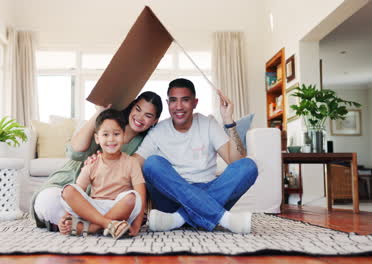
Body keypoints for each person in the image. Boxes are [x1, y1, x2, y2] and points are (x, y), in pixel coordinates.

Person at [134, 78, 258, 234]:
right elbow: (135, 163)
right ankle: (223, 219)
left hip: (207, 190)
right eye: (173, 100)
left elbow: (236, 161)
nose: (178, 106)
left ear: (195, 102)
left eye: (185, 100)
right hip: (172, 197)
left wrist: (228, 120)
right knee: (152, 164)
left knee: (248, 166)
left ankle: (178, 219)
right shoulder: (158, 131)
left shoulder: (208, 124)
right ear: (168, 103)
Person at [31, 91, 162, 236]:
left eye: (148, 115)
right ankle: (105, 224)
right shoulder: (108, 123)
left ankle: (91, 226)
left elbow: (136, 186)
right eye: (137, 109)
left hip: (109, 200)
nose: (140, 117)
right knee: (48, 202)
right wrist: (99, 112)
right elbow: (76, 153)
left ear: (155, 121)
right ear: (131, 107)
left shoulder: (146, 144)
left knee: (130, 201)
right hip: (76, 184)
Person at [60, 109, 145, 239]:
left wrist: (137, 225)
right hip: (94, 209)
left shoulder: (132, 162)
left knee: (132, 198)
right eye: (105, 135)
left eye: (116, 134)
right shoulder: (92, 163)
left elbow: (140, 194)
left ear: (123, 135)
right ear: (97, 138)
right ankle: (107, 224)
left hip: (119, 210)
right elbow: (77, 193)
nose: (111, 139)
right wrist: (66, 217)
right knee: (68, 190)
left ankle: (92, 228)